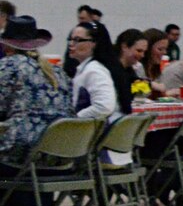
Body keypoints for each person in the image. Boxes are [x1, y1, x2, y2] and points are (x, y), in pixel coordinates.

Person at [1, 16, 69, 159]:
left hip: (20, 154)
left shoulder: (8, 66)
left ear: (6, 44)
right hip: (59, 155)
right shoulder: (58, 72)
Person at [63, 24, 118, 120]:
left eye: (77, 40)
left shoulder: (94, 71)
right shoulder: (84, 69)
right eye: (70, 39)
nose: (71, 44)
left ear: (93, 44)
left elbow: (104, 107)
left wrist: (75, 119)